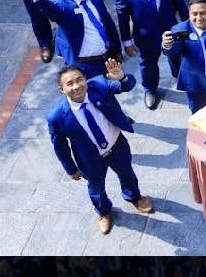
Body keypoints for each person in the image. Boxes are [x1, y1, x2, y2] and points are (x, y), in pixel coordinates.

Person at [46, 59, 154, 235]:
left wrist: (122, 77)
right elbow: (60, 146)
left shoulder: (99, 85)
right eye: (70, 84)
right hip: (90, 158)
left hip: (116, 146)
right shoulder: (56, 116)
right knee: (96, 187)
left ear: (85, 79)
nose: (76, 86)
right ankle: (104, 212)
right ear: (61, 89)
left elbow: (127, 86)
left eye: (79, 80)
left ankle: (134, 196)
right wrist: (71, 169)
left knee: (127, 173)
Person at [20, 0, 122, 80]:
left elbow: (108, 24)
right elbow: (51, 11)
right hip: (83, 65)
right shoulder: (61, 3)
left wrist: (117, 50)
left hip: (107, 60)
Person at [113, 0, 185, 110]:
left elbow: (179, 2)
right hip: (146, 36)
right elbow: (123, 20)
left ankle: (179, 75)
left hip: (170, 29)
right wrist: (127, 43)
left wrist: (188, 24)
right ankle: (150, 90)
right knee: (148, 65)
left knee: (176, 55)